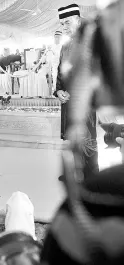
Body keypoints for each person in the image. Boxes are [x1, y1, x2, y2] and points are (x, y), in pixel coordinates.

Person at [54, 3, 98, 181]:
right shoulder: (65, 47)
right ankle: (73, 172)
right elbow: (59, 73)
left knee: (87, 139)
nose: (64, 27)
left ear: (78, 21)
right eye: (62, 24)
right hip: (68, 103)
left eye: (67, 22)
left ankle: (92, 178)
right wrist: (58, 91)